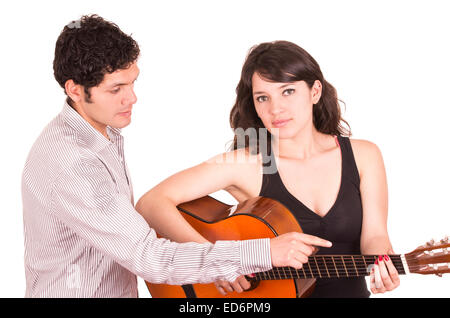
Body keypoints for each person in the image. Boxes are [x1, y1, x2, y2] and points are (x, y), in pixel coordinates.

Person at [21, 16, 332, 298]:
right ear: (75, 90)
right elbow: (148, 257)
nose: (132, 97)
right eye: (116, 89)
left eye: (133, 82)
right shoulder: (75, 162)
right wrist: (262, 252)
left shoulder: (97, 134)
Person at [135, 41, 401, 297]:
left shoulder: (363, 155)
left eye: (288, 91)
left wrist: (382, 262)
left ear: (315, 91)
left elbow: (376, 235)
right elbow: (152, 203)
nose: (276, 109)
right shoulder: (247, 162)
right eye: (263, 98)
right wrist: (215, 262)